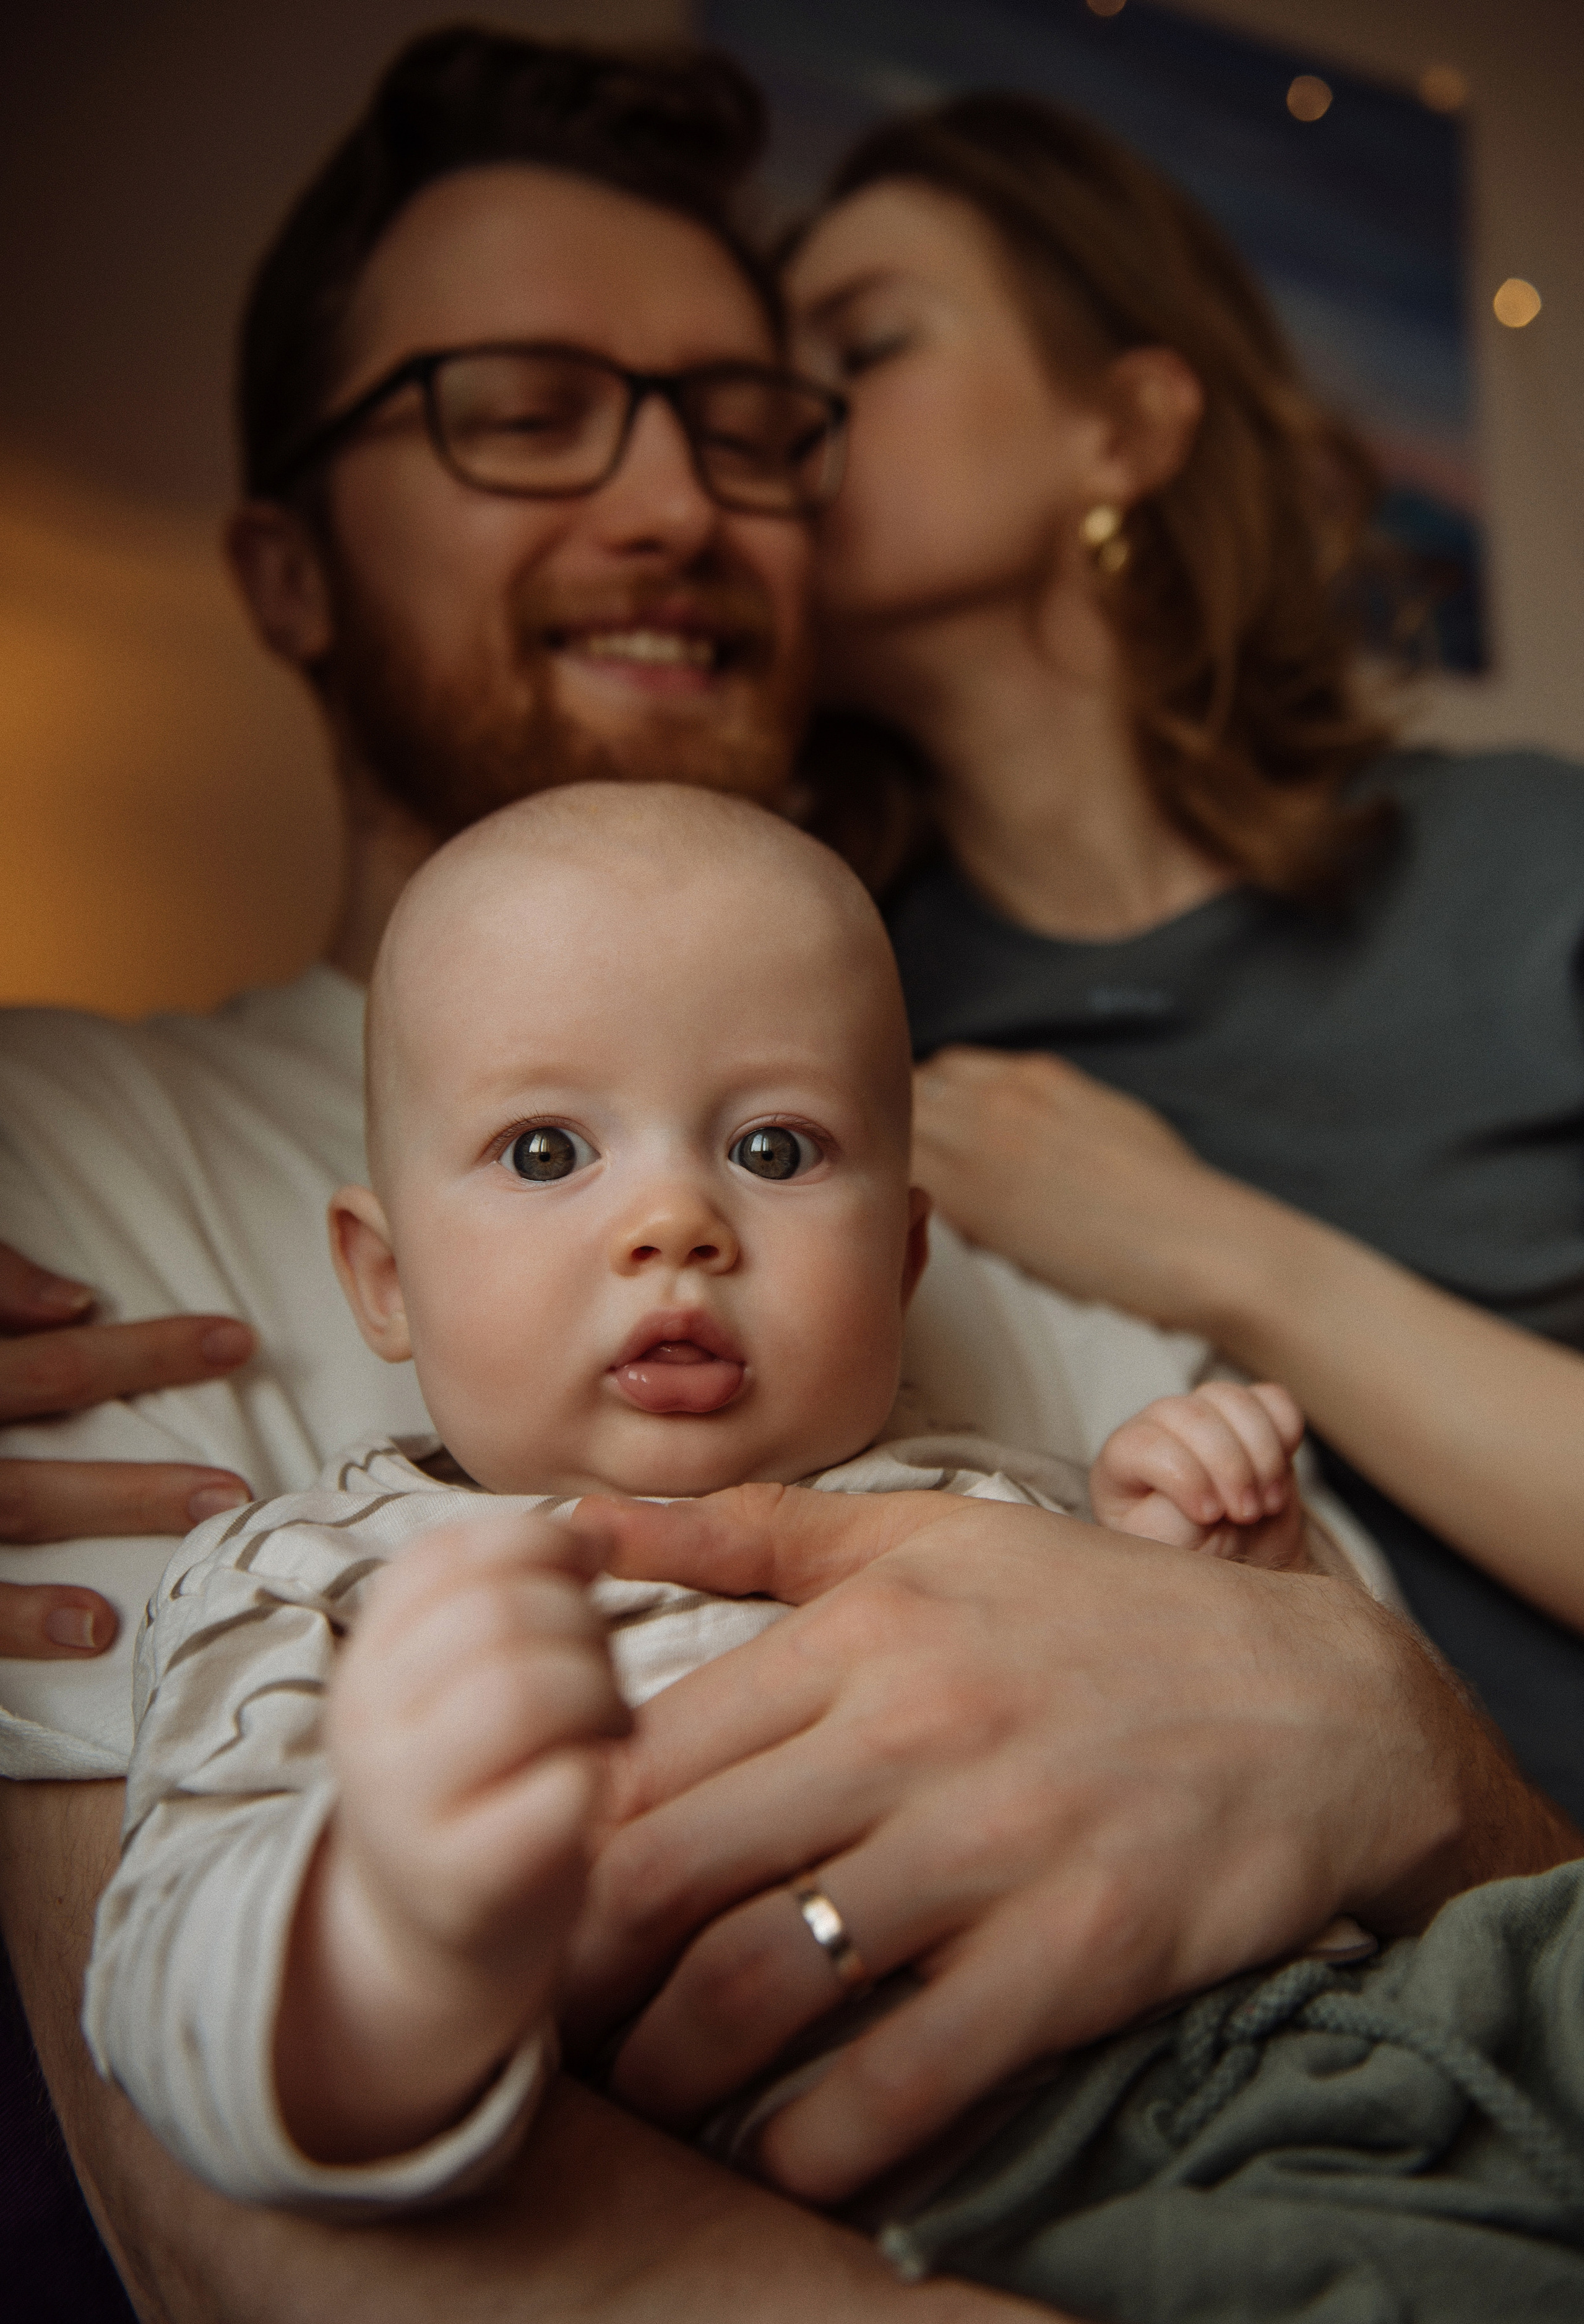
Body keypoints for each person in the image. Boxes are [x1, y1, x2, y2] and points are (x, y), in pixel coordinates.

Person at [0, 32, 1572, 2324]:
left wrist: (1338, 1684)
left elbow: (1475, 1844)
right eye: (519, 406)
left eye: (747, 428)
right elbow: (255, 2214)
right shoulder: (66, 1145)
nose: (676, 508)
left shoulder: (939, 1141)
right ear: (283, 567)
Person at [86, 779, 1335, 2215]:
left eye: (773, 1150)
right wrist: (394, 1930)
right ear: (384, 1280)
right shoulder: (307, 1582)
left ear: (903, 1259)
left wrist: (1221, 1578)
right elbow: (163, 1995)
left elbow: (1263, 1768)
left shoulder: (1003, 1497)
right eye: (546, 1151)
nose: (674, 1222)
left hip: (1336, 2068)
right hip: (1020, 2216)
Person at [786, 91, 1584, 1826]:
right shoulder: (830, 1025)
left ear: (1128, 431)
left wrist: (1216, 1249)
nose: (787, 422)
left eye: (866, 345)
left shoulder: (1534, 870)